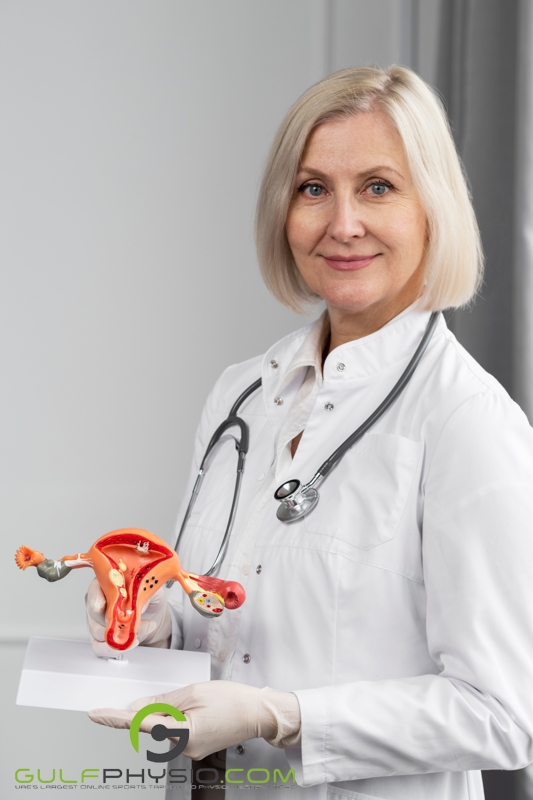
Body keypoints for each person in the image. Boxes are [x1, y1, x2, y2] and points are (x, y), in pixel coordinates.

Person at [86, 66, 533, 799]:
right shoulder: (242, 394)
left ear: (433, 207)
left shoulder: (466, 422)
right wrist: (151, 619)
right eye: (313, 188)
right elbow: (225, 627)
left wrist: (280, 717)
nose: (341, 223)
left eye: (378, 187)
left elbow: (501, 715)